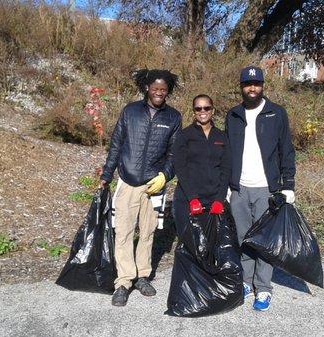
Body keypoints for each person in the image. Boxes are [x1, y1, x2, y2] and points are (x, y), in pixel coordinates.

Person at [99, 69, 182, 307]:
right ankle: (124, 281)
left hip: (153, 186)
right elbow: (116, 145)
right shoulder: (130, 111)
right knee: (123, 232)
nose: (159, 93)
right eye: (155, 88)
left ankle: (142, 276)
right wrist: (107, 174)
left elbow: (174, 154)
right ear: (147, 87)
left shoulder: (173, 117)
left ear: (168, 91)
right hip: (127, 181)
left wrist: (165, 176)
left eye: (163, 89)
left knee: (147, 233)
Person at [225, 66, 296, 311]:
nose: (252, 88)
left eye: (256, 84)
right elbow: (227, 152)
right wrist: (227, 185)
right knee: (243, 238)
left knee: (265, 241)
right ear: (241, 86)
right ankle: (245, 281)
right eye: (247, 84)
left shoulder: (276, 113)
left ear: (263, 85)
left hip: (267, 188)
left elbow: (286, 150)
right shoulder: (233, 114)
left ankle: (263, 288)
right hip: (240, 189)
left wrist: (288, 186)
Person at [172, 94, 231, 235]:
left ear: (213, 110)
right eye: (198, 108)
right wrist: (192, 198)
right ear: (194, 111)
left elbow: (226, 168)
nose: (202, 111)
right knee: (189, 245)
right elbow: (180, 168)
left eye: (206, 107)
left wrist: (219, 199)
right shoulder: (184, 136)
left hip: (213, 199)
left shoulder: (221, 136)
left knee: (212, 245)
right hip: (188, 198)